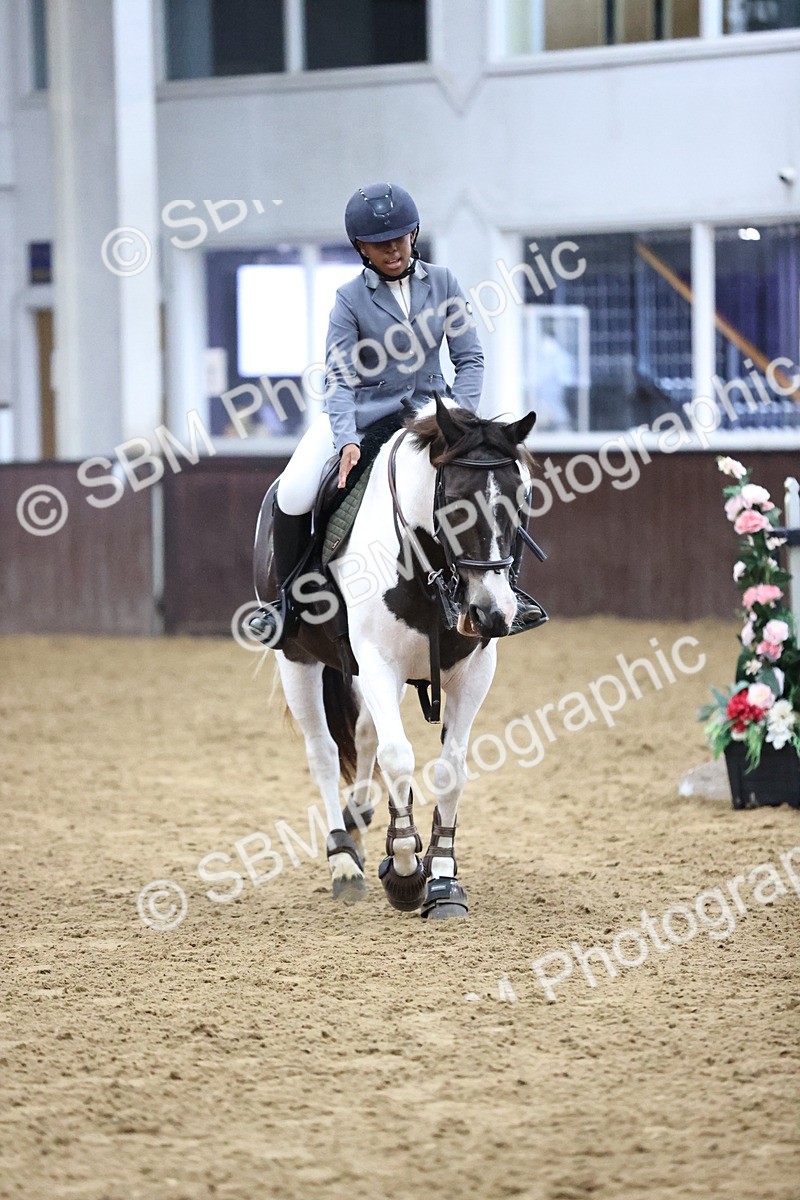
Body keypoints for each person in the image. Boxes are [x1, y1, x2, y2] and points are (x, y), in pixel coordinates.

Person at [251, 182, 484, 646]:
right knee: (295, 491)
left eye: (398, 239)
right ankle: (288, 606)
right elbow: (337, 379)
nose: (392, 250)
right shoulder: (348, 299)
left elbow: (470, 358)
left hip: (435, 417)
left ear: (413, 235)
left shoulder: (444, 284)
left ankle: (505, 587)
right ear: (361, 248)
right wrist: (346, 440)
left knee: (498, 476)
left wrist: (459, 419)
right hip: (364, 418)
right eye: (380, 244)